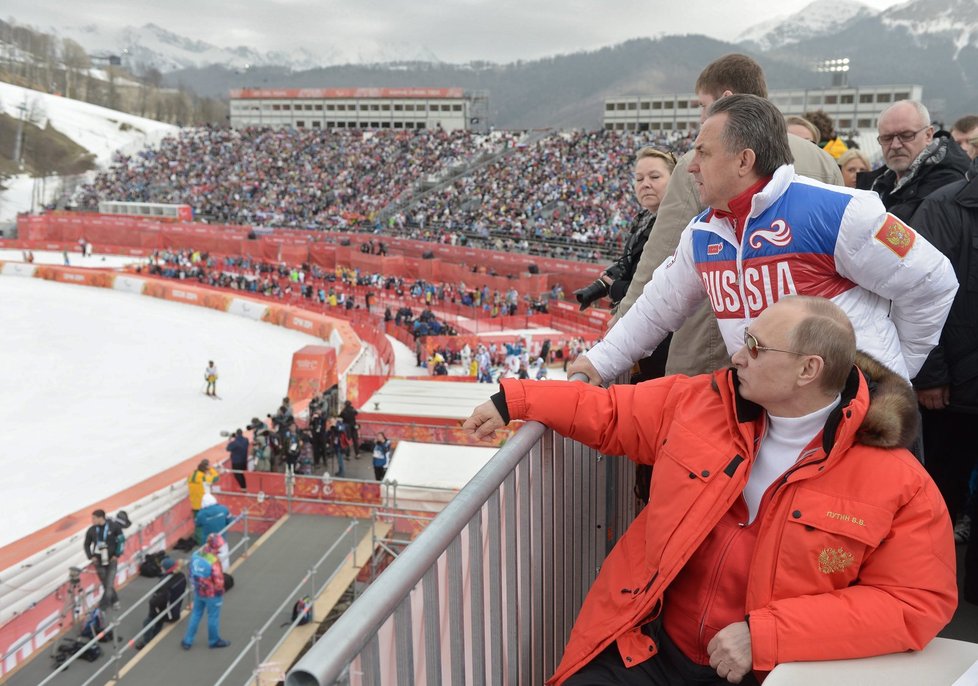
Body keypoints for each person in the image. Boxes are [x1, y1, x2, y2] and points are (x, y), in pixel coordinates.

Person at [463, 296, 957, 685]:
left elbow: (914, 604)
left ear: (809, 369)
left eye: (758, 348)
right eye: (747, 338)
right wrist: (517, 398)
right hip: (650, 647)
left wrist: (767, 637)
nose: (738, 355)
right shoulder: (702, 401)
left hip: (769, 671)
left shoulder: (899, 482)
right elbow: (612, 412)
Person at [569, 94, 957, 387]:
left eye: (703, 152)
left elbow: (932, 281)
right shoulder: (704, 232)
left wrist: (898, 368)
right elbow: (655, 309)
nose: (690, 166)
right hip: (773, 419)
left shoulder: (840, 210)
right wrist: (597, 364)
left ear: (744, 160)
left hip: (858, 421)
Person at [614, 54, 845, 377]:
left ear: (726, 100)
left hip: (716, 348)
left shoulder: (697, 162)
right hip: (802, 353)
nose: (699, 115)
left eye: (701, 105)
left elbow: (658, 261)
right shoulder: (822, 161)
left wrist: (615, 336)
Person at [909, 161, 978, 603]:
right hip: (954, 390)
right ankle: (925, 594)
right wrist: (931, 375)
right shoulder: (943, 206)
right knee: (938, 494)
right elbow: (916, 294)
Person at [856, 100, 970, 221]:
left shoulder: (950, 181)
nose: (895, 145)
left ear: (928, 135)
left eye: (906, 135)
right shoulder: (879, 182)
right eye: (887, 138)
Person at [181, 533, 230, 650]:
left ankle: (187, 640)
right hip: (212, 594)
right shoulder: (213, 561)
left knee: (196, 614)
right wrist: (220, 590)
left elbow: (190, 572)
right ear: (216, 545)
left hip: (199, 591)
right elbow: (218, 581)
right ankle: (214, 641)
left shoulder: (197, 554)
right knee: (213, 616)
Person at [134, 557, 187, 650]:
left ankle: (146, 641)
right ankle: (155, 635)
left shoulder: (164, 583)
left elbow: (156, 601)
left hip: (168, 612)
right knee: (158, 619)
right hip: (175, 609)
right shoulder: (181, 576)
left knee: (148, 621)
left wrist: (152, 605)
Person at [83, 509, 123, 610]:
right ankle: (115, 601)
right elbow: (86, 544)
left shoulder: (114, 526)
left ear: (101, 518)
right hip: (99, 561)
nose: (92, 520)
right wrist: (90, 556)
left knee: (109, 583)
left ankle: (103, 607)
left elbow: (121, 541)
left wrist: (116, 555)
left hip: (111, 560)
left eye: (94, 518)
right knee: (106, 583)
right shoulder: (92, 530)